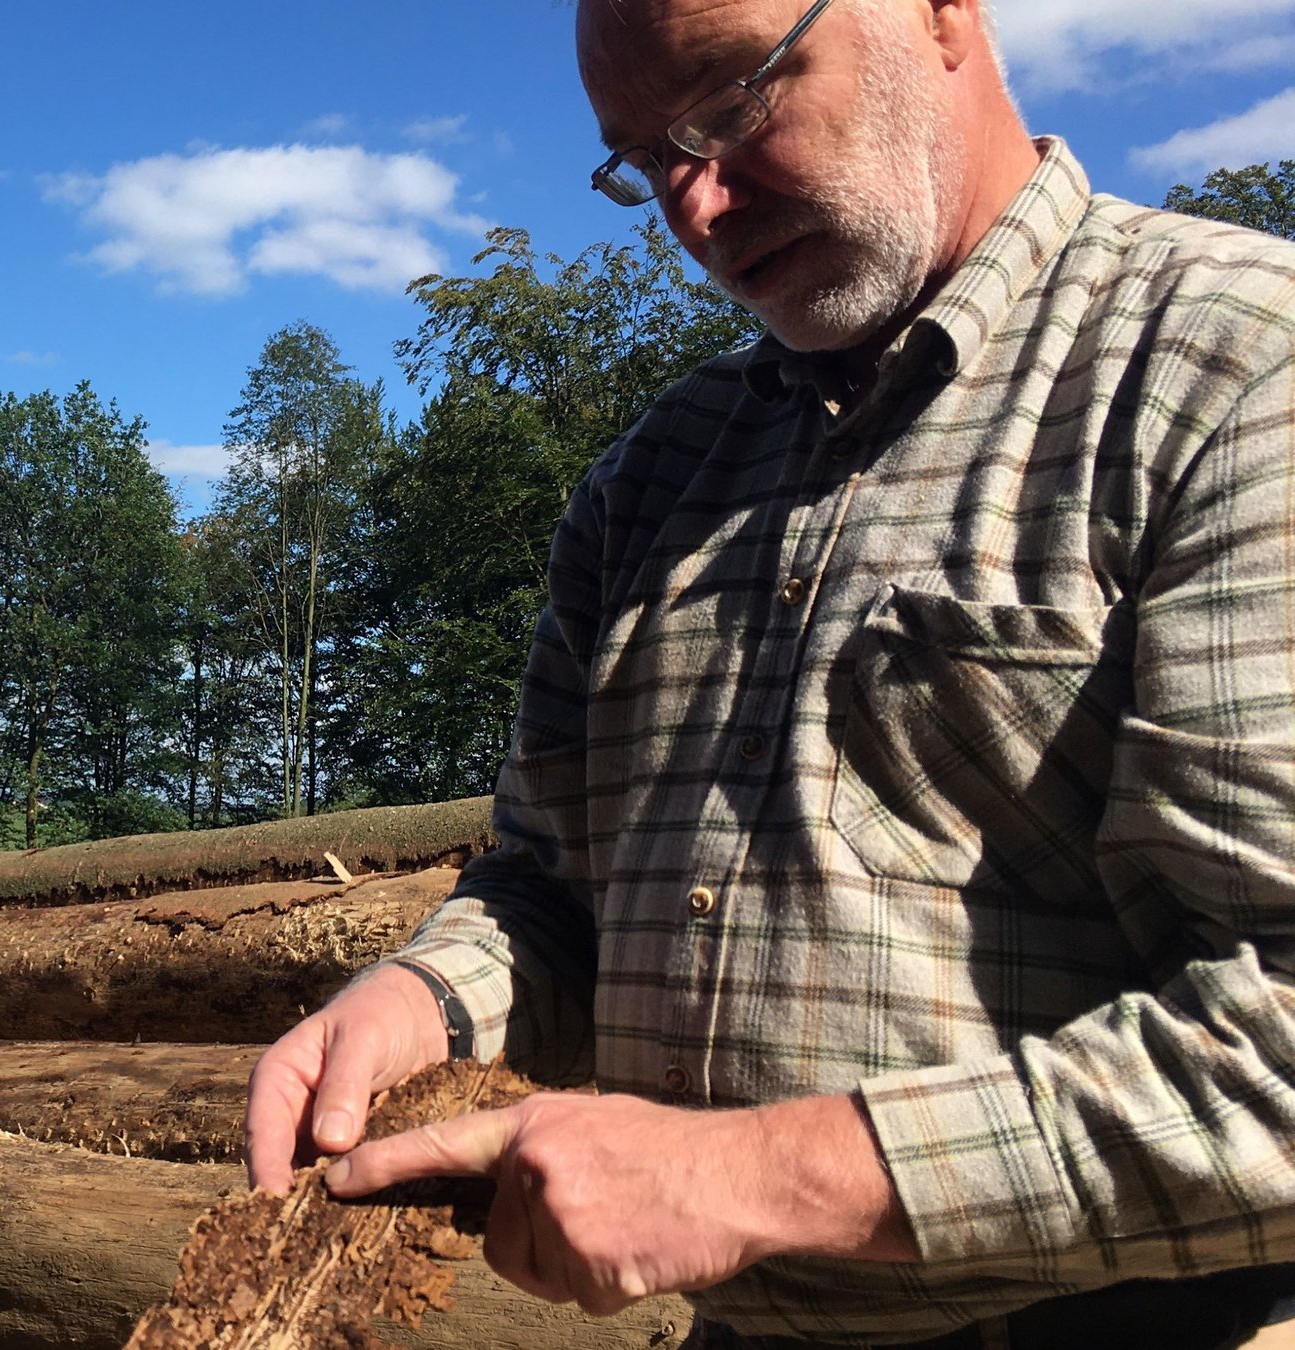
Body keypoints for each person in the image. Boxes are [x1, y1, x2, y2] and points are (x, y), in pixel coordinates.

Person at [246, 0, 1295, 1345]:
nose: (697, 204)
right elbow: (550, 889)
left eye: (733, 99)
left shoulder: (1230, 375)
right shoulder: (657, 481)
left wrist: (761, 1177)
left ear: (943, 13)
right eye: (642, 158)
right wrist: (426, 999)